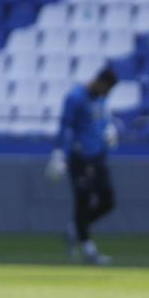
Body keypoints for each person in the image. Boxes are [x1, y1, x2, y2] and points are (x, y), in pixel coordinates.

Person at [47, 64, 118, 264]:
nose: (107, 93)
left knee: (108, 200)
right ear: (100, 82)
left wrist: (109, 129)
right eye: (107, 88)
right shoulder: (75, 97)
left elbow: (102, 119)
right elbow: (65, 125)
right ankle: (88, 249)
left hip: (98, 155)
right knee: (83, 200)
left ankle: (75, 229)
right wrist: (59, 152)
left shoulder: (101, 98)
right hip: (80, 157)